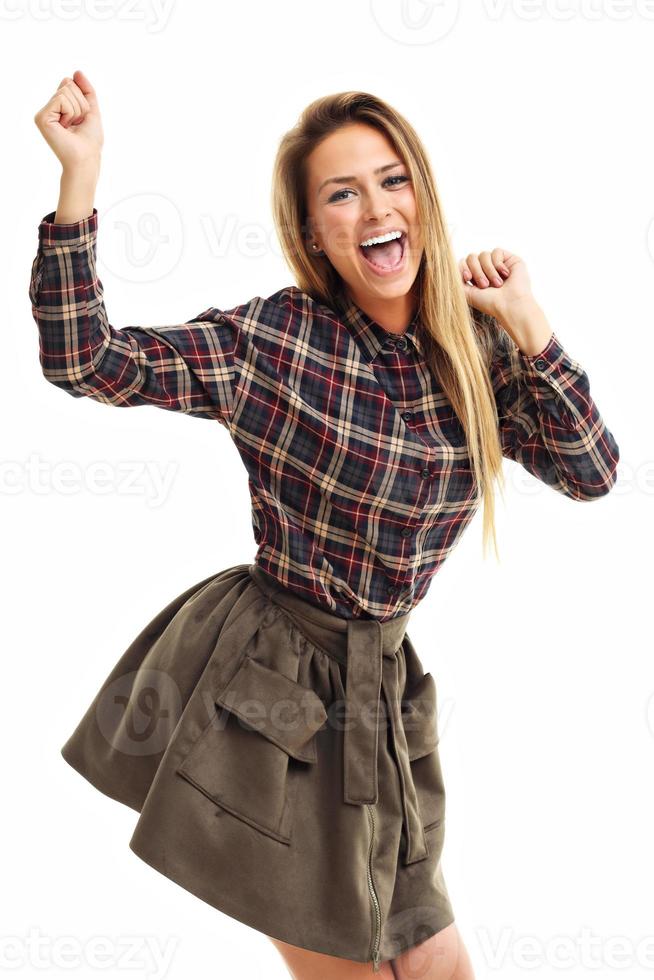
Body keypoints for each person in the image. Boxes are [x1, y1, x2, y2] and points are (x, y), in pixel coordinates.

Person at [30, 71, 619, 980]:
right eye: (342, 193)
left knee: (437, 969)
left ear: (422, 193)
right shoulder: (277, 342)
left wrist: (531, 324)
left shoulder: (477, 349)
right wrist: (81, 173)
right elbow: (87, 359)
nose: (376, 207)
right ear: (313, 231)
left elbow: (592, 473)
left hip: (380, 696)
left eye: (392, 180)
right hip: (269, 696)